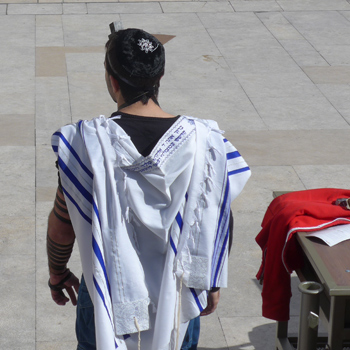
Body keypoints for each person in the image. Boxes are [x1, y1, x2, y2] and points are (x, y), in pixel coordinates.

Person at [46, 24, 251, 350]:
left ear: (113, 81)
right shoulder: (205, 141)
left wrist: (57, 274)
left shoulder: (86, 145)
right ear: (160, 76)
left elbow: (63, 224)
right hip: (180, 293)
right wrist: (210, 280)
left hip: (106, 295)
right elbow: (215, 211)